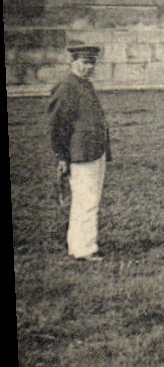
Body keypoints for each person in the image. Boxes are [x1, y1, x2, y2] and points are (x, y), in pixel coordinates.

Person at [47, 42, 110, 261]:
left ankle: (79, 245)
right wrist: (62, 156)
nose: (89, 67)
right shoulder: (66, 87)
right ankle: (84, 248)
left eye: (92, 63)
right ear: (72, 62)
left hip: (95, 151)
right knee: (87, 200)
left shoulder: (84, 84)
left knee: (88, 200)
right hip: (81, 153)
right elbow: (57, 126)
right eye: (84, 62)